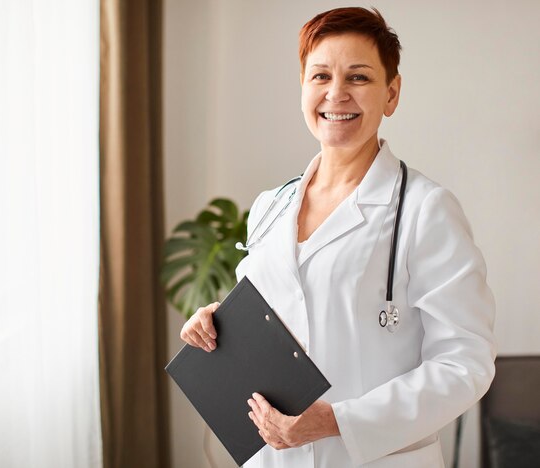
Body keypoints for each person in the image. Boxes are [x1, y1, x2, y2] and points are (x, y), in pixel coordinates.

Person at [179, 7, 496, 467]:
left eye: (359, 78)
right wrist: (214, 323)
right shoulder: (272, 205)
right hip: (273, 457)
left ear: (392, 93)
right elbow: (273, 313)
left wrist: (337, 420)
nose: (336, 93)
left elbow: (465, 365)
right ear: (303, 88)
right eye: (320, 75)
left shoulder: (426, 209)